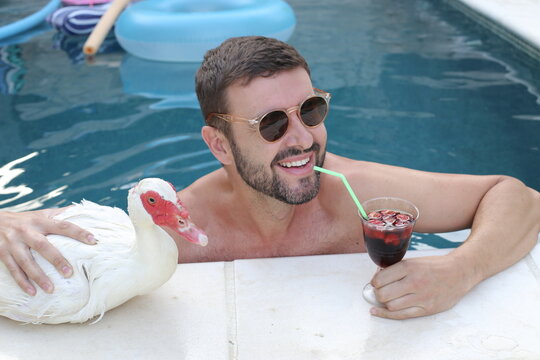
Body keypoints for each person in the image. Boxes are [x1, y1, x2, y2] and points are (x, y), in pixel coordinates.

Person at [1, 36, 539, 320]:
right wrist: (7, 221)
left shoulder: (358, 193)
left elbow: (515, 196)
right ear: (219, 146)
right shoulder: (179, 234)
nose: (302, 138)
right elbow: (81, 251)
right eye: (272, 124)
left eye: (310, 109)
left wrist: (460, 270)